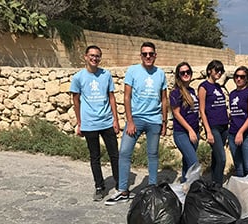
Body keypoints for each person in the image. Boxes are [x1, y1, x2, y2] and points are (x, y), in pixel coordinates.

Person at [106, 41, 168, 205]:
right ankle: (123, 190)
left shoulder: (160, 74)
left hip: (154, 120)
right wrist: (130, 120)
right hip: (136, 119)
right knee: (125, 152)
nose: (148, 56)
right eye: (145, 54)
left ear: (155, 55)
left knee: (153, 155)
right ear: (141, 55)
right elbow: (127, 97)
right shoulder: (133, 71)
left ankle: (152, 188)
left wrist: (164, 121)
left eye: (151, 54)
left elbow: (164, 98)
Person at [70, 45, 120, 201]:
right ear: (85, 57)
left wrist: (115, 119)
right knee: (95, 156)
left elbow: (111, 97)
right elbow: (76, 100)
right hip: (89, 123)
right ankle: (99, 187)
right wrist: (79, 122)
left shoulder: (106, 75)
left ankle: (120, 183)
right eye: (91, 55)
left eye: (97, 56)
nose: (94, 58)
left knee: (115, 155)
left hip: (106, 122)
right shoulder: (78, 77)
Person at [198, 59, 229, 185]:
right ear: (210, 70)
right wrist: (208, 131)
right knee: (222, 158)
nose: (219, 73)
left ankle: (214, 183)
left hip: (224, 125)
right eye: (217, 70)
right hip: (213, 126)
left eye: (221, 71)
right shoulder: (203, 87)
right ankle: (218, 185)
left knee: (216, 157)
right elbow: (202, 110)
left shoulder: (218, 86)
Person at [170, 62, 200, 183]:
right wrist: (190, 130)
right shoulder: (175, 92)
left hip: (194, 131)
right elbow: (176, 114)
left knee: (187, 164)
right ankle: (196, 190)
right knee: (194, 163)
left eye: (188, 72)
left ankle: (185, 189)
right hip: (182, 133)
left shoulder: (192, 90)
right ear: (178, 75)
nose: (186, 74)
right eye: (183, 73)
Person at [228, 66, 248, 178]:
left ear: (247, 78)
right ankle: (242, 192)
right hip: (233, 133)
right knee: (238, 166)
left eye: (242, 77)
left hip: (247, 134)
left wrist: (241, 132)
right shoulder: (232, 94)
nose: (239, 79)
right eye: (236, 76)